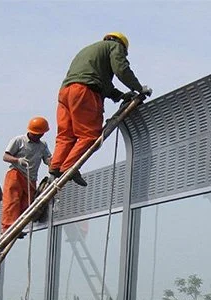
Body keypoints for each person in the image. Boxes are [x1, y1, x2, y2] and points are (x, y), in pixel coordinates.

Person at [49, 32, 150, 187]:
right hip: (85, 92)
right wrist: (139, 88)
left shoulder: (89, 51)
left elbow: (103, 83)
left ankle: (56, 166)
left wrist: (121, 96)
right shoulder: (115, 47)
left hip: (65, 93)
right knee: (89, 135)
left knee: (66, 135)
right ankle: (69, 167)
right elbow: (121, 69)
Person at [1, 116, 52, 234]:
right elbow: (5, 156)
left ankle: (17, 228)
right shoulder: (19, 141)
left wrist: (53, 165)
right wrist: (17, 160)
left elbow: (47, 159)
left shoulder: (42, 145)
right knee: (12, 200)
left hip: (31, 178)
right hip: (16, 173)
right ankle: (8, 228)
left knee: (27, 205)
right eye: (36, 134)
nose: (37, 136)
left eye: (40, 134)